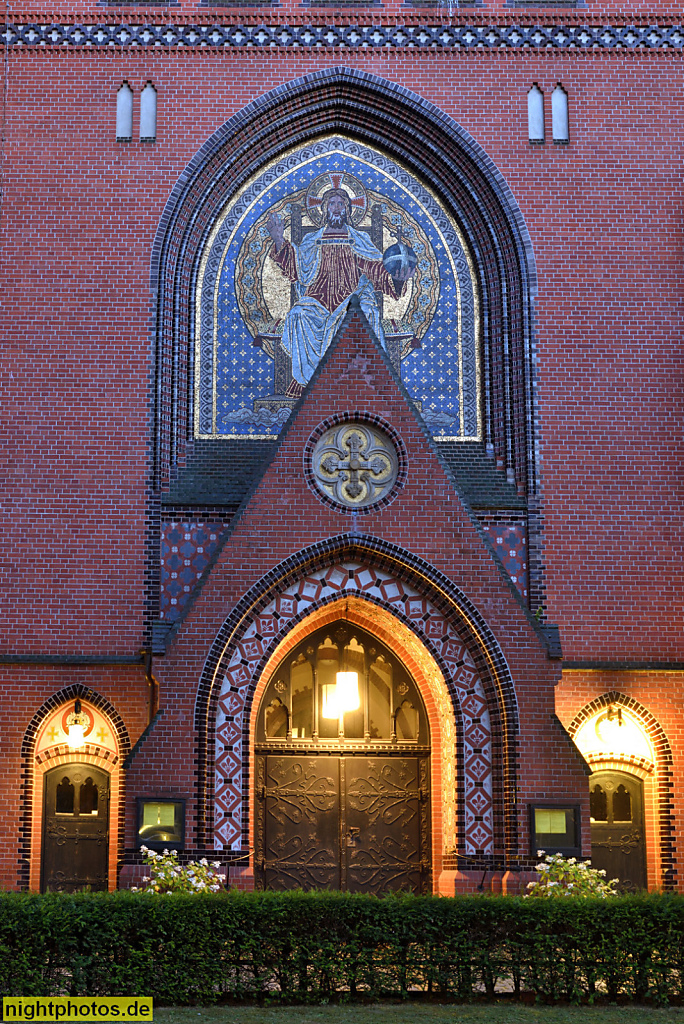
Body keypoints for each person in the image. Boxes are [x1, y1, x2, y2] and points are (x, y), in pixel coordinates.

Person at [266, 189, 415, 392]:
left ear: (348, 209)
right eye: (332, 203)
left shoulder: (359, 239)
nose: (336, 208)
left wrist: (396, 279)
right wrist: (278, 240)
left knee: (366, 313)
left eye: (341, 204)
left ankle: (359, 381)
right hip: (318, 300)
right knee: (298, 314)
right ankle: (308, 382)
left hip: (352, 298)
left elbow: (376, 269)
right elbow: (296, 266)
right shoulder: (313, 240)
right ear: (324, 209)